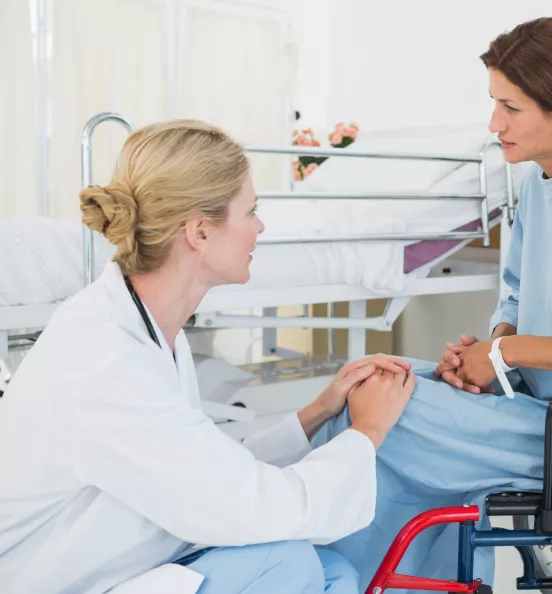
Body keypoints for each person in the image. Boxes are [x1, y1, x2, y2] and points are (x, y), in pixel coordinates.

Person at [314, 17, 552, 591]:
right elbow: (515, 291)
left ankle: (343, 579)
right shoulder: (542, 182)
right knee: (374, 377)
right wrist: (487, 355)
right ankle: (350, 577)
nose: (494, 125)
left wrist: (506, 353)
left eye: (510, 108)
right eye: (495, 104)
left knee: (387, 414)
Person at [0, 120, 416, 594]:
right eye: (251, 211)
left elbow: (201, 470)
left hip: (111, 560)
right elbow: (245, 504)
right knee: (288, 563)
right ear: (199, 231)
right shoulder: (107, 362)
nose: (260, 227)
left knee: (336, 572)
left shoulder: (150, 329)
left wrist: (316, 413)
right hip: (45, 580)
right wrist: (367, 433)